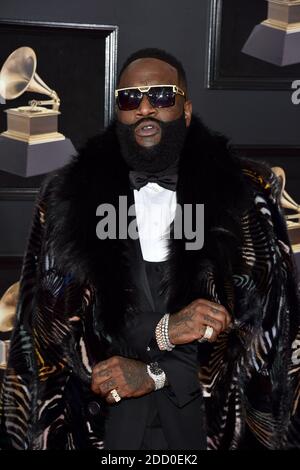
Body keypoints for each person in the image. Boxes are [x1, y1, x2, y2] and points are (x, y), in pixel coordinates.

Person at [0, 48, 299, 450]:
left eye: (161, 96)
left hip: (208, 429)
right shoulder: (64, 198)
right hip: (101, 429)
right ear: (118, 112)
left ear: (186, 109)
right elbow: (47, 334)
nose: (145, 108)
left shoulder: (247, 192)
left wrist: (157, 374)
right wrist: (164, 331)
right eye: (130, 98)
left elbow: (265, 331)